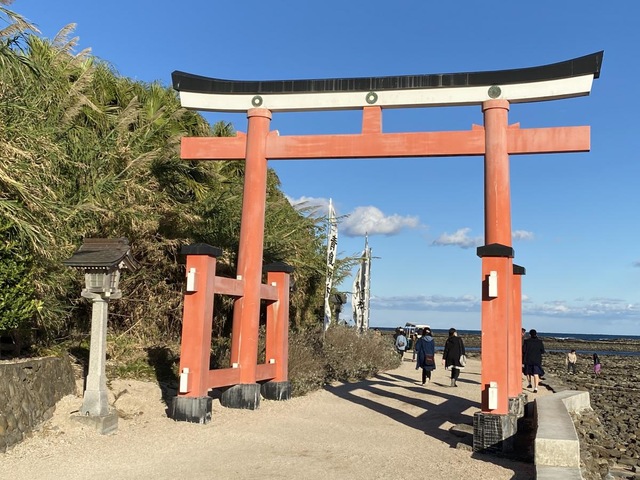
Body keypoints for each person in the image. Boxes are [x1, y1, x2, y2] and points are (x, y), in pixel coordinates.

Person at [522, 329, 545, 393]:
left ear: (530, 334)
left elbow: (524, 350)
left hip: (528, 359)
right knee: (536, 373)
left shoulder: (527, 341)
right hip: (536, 360)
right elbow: (542, 351)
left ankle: (529, 383)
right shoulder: (539, 342)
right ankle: (536, 388)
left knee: (527, 372)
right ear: (536, 334)